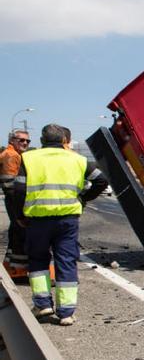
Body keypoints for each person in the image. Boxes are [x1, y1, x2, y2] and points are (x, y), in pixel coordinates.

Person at [11, 124, 108, 325]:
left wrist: (19, 215)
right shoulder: (77, 159)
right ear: (64, 140)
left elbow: (18, 190)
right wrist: (83, 199)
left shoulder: (29, 158)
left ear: (42, 140)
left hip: (37, 220)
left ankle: (43, 304)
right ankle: (66, 313)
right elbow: (101, 180)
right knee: (66, 261)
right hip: (67, 220)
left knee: (38, 260)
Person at [1, 129, 30, 277]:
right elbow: (10, 183)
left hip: (12, 198)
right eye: (21, 140)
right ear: (12, 140)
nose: (25, 143)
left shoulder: (14, 154)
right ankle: (18, 271)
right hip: (13, 198)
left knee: (15, 232)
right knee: (20, 232)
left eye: (27, 141)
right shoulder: (11, 155)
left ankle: (9, 266)